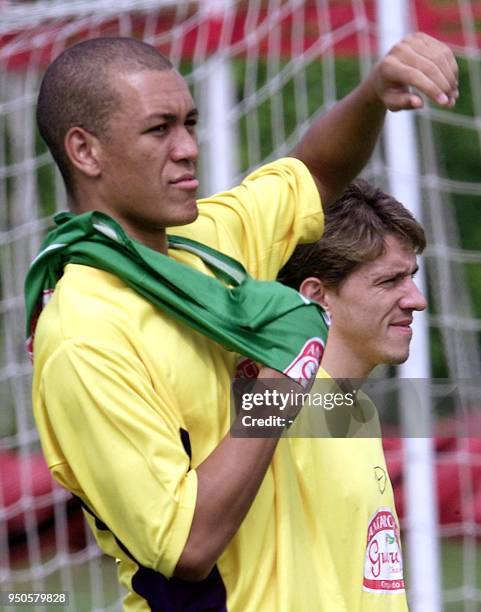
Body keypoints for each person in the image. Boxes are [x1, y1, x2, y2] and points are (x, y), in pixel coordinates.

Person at [27, 34, 456, 611]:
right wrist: (282, 383)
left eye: (191, 123)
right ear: (85, 150)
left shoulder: (207, 244)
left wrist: (374, 93)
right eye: (160, 129)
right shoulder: (85, 334)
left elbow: (314, 173)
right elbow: (187, 545)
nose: (187, 148)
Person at [276, 178, 427, 609]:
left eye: (411, 277)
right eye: (389, 281)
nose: (416, 300)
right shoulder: (273, 404)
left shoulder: (356, 407)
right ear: (317, 296)